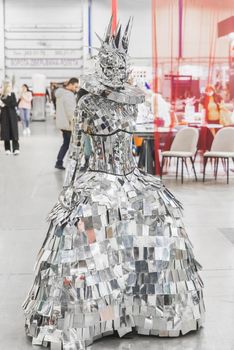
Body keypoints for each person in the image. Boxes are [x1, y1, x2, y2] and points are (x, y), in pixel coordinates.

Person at [23, 19, 204, 349]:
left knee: (162, 211)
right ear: (102, 62)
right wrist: (72, 188)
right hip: (97, 176)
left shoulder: (133, 101)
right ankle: (91, 313)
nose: (116, 66)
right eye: (110, 61)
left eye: (121, 61)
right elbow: (78, 150)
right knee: (84, 228)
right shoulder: (88, 102)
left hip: (131, 176)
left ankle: (150, 307)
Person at [54, 77, 79, 170]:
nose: (76, 89)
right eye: (75, 86)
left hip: (63, 124)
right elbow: (70, 112)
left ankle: (59, 162)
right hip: (68, 125)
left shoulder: (61, 94)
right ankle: (69, 164)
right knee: (71, 145)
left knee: (66, 144)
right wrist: (74, 123)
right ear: (71, 84)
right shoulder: (69, 95)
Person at [0, 81, 20, 155]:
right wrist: (5, 103)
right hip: (4, 116)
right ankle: (7, 149)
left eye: (10, 86)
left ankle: (16, 148)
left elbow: (14, 104)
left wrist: (5, 104)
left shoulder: (12, 94)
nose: (10, 87)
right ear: (6, 87)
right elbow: (2, 105)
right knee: (6, 132)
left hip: (12, 115)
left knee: (14, 132)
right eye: (9, 86)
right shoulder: (1, 95)